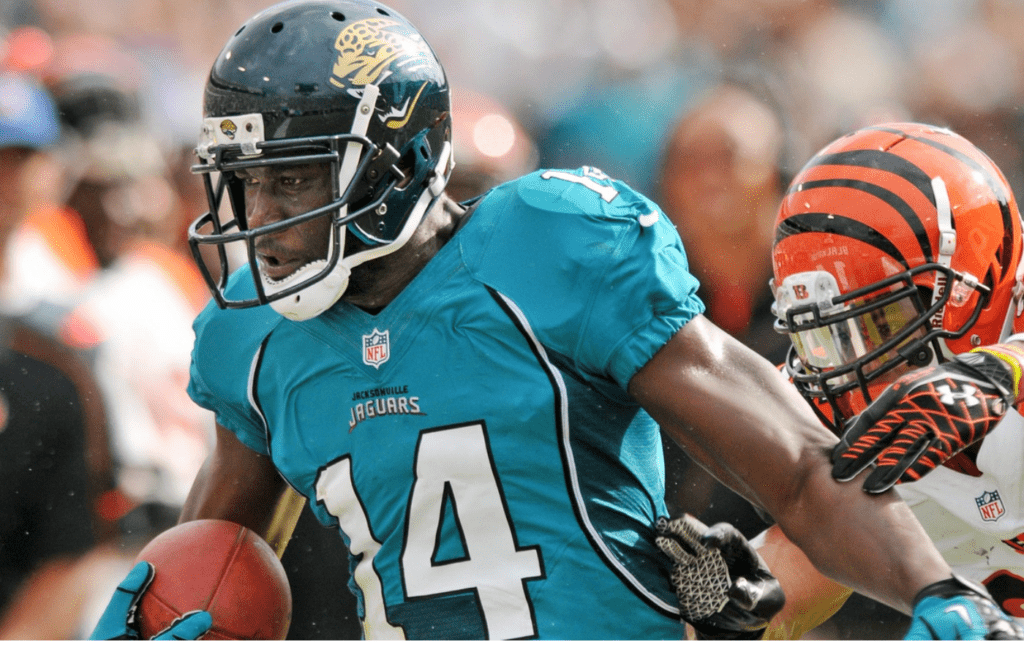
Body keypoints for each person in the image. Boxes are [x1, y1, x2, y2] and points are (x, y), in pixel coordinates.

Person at [91, 0, 1022, 641]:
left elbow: (804, 474)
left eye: (292, 176)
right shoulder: (254, 344)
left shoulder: (553, 248)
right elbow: (205, 570)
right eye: (244, 182)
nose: (260, 216)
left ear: (396, 159)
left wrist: (936, 589)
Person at [755, 121, 1024, 639]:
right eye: (828, 335)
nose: (848, 367)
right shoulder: (871, 442)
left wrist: (1003, 368)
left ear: (970, 288)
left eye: (880, 323)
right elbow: (778, 595)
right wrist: (722, 607)